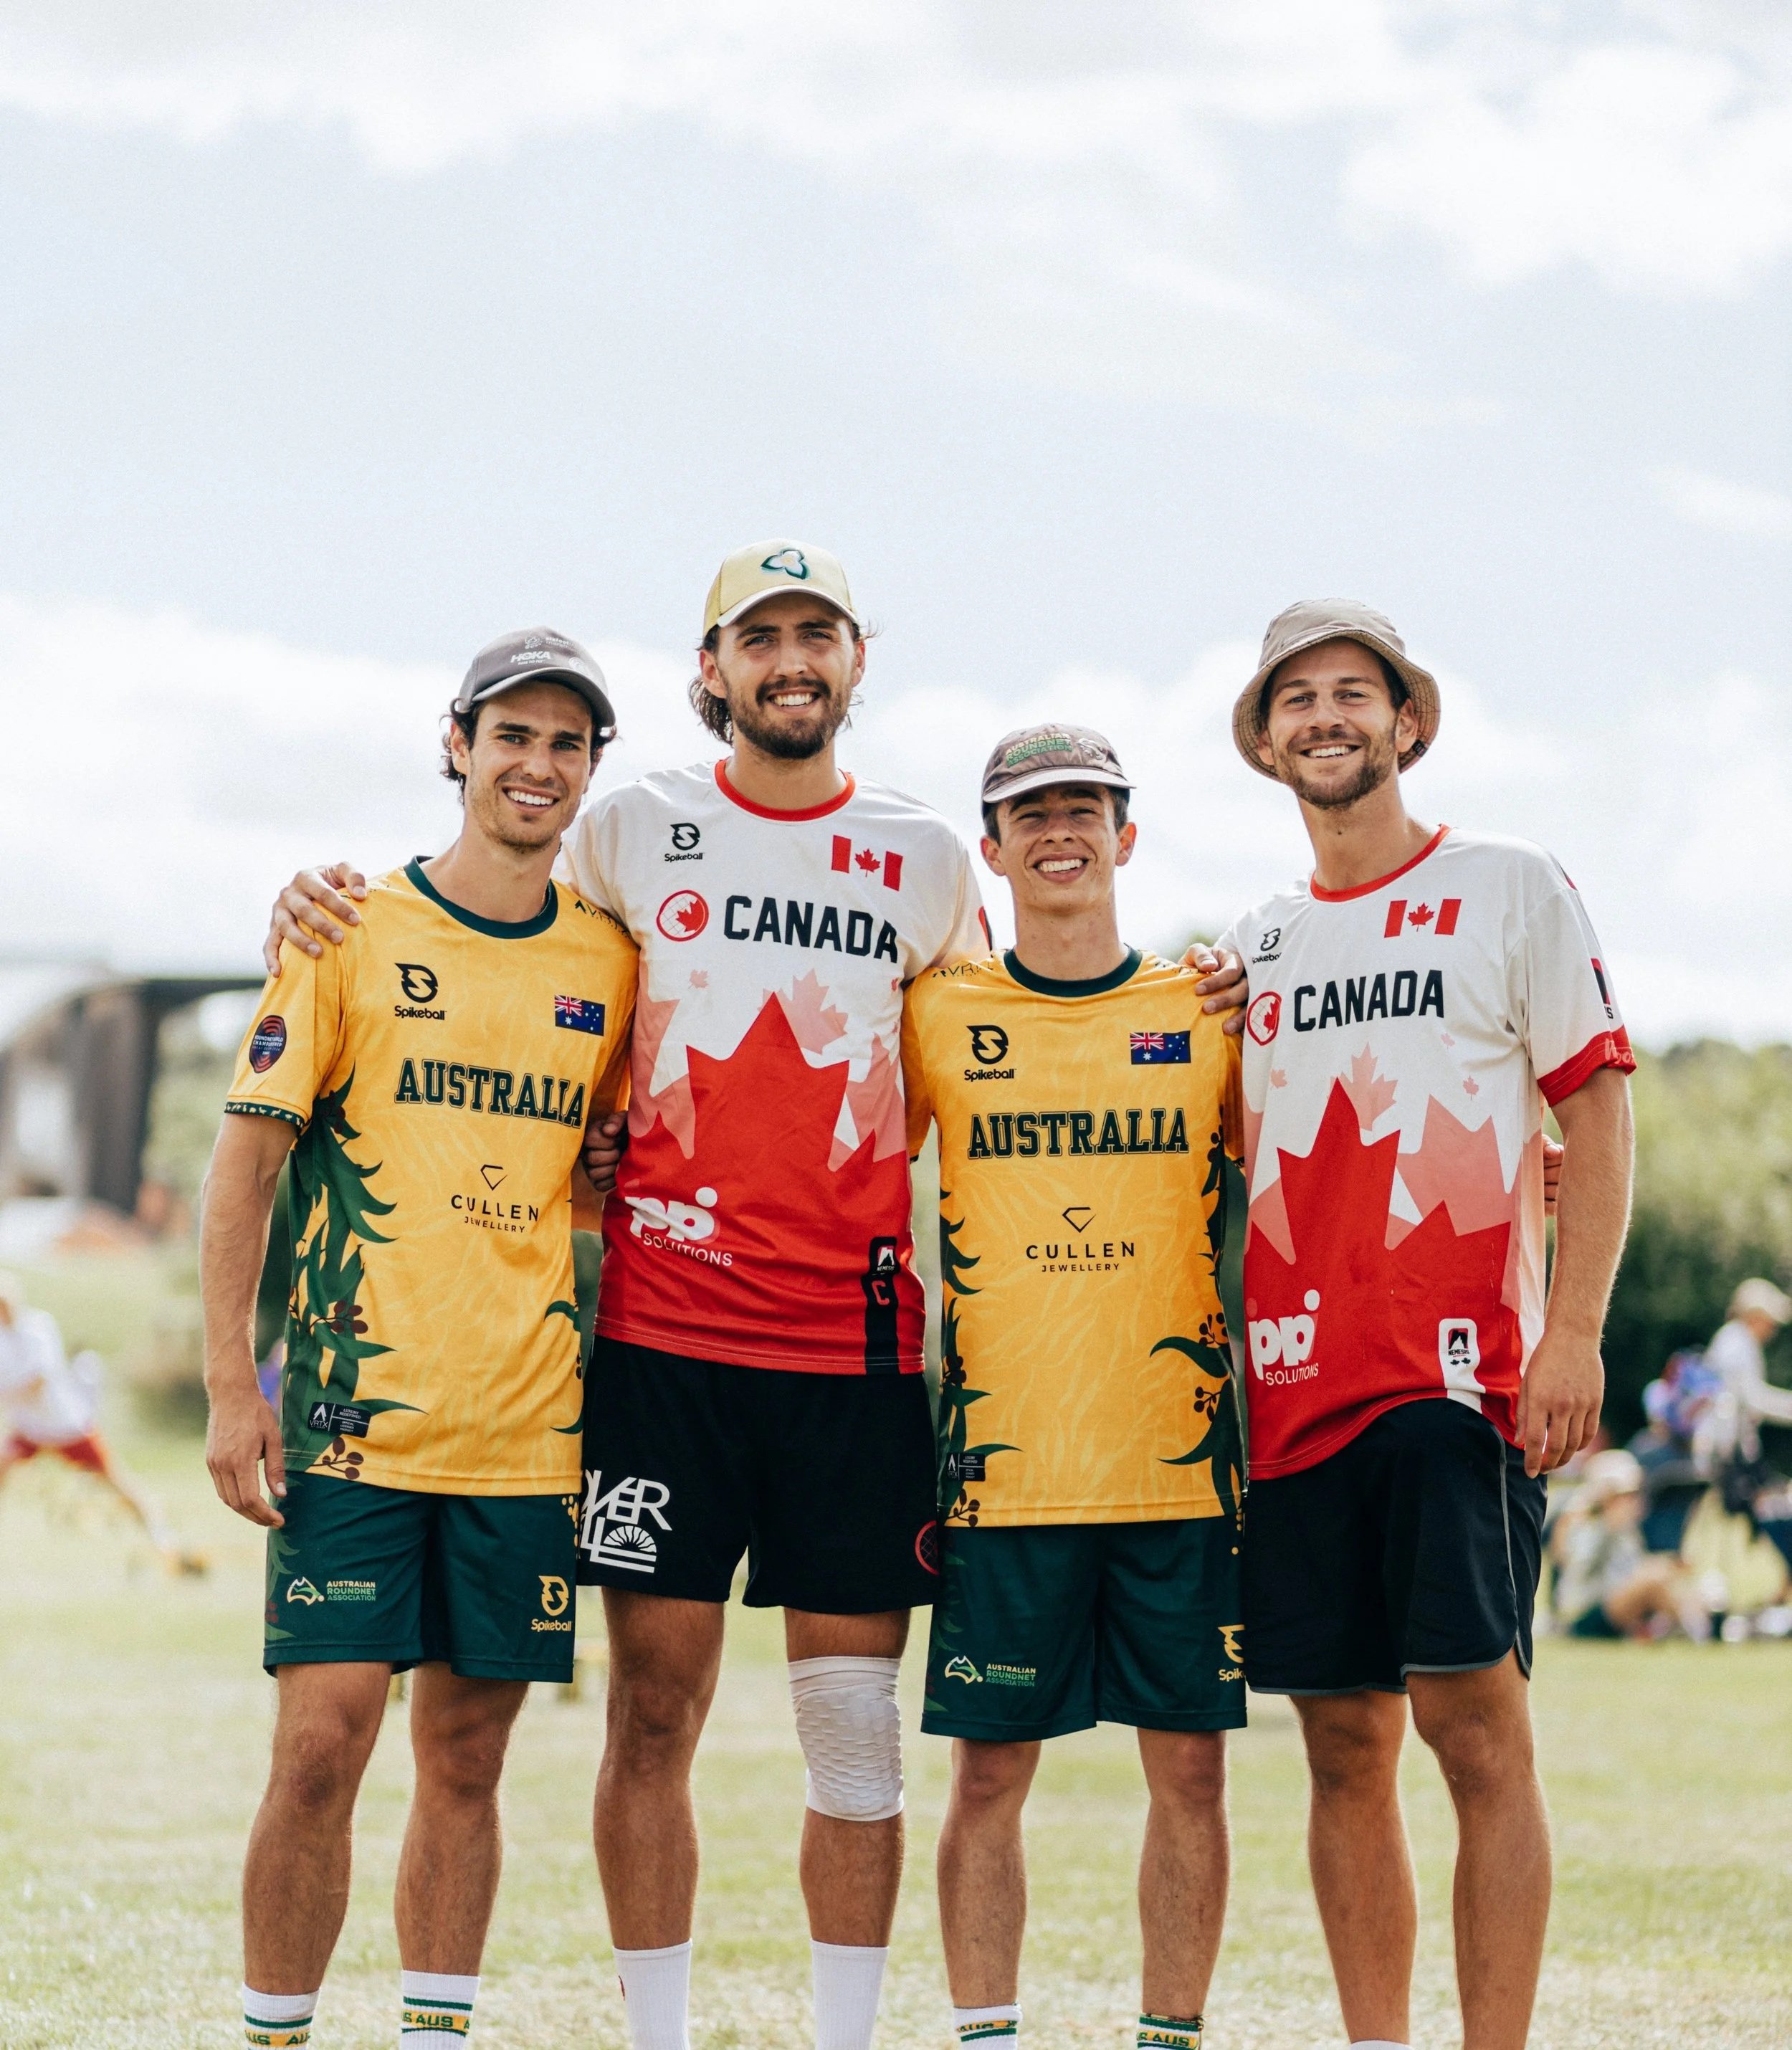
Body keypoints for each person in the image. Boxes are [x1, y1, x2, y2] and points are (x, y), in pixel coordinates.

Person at [264, 543, 1249, 2050]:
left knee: (851, 1741)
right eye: (757, 636)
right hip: (660, 1348)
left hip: (851, 1362)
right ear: (710, 667)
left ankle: (840, 2036)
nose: (789, 660)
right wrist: (318, 899)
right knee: (650, 1716)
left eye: (816, 633)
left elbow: (1010, 1040)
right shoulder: (626, 823)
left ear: (858, 657)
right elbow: (506, 947)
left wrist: (1204, 991)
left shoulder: (926, 857)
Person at [204, 629, 636, 2050]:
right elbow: (246, 1167)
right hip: (351, 1415)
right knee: (319, 1745)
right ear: (457, 744)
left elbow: (596, 1172)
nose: (536, 762)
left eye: (566, 742)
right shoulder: (349, 929)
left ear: (587, 771)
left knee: (468, 1756)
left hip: (522, 1434)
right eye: (511, 733)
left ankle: (432, 2036)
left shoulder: (607, 960)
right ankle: (275, 2031)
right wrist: (229, 1386)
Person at [1219, 599, 1636, 2050]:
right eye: (1296, 699)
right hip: (1292, 1390)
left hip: (1454, 1379)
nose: (1325, 716)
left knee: (1474, 1725)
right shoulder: (1253, 946)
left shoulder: (1508, 883)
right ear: (1263, 741)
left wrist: (1570, 1331)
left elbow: (1592, 1098)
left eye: (1355, 692)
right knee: (1339, 1743)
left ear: (1406, 722)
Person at [902, 727, 1246, 2050]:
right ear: (990, 849)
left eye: (1086, 809)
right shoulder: (940, 1011)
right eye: (1031, 812)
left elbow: (1305, 1175)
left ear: (1126, 836)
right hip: (1006, 1471)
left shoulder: (1204, 1010)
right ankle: (988, 2034)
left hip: (1174, 1463)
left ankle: (1171, 2034)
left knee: (1195, 1776)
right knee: (988, 1778)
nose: (1062, 831)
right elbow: (841, 1164)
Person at [0, 1269, 201, 1573]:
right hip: (31, 1427)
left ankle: (163, 1538)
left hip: (65, 1425)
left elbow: (38, 1381)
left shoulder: (37, 1327)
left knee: (116, 1479)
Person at [1550, 1449, 1695, 1639]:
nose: (1635, 1500)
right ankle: (1693, 1631)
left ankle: (1690, 1626)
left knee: (1667, 1573)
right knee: (1653, 1578)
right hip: (1585, 1612)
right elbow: (1578, 1569)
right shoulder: (1587, 1523)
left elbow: (1631, 1566)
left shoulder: (1626, 1529)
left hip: (1610, 1602)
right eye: (1628, 1494)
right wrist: (1607, 1530)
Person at [1701, 1278, 1792, 1467]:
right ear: (1755, 1316)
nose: (1773, 1329)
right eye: (1770, 1321)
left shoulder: (1736, 1340)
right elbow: (1754, 1399)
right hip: (1725, 1453)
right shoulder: (1737, 1343)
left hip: (1728, 1450)